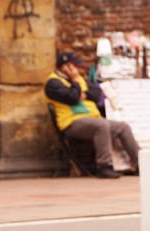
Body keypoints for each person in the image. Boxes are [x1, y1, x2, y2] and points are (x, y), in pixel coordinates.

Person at [44, 51, 139, 179]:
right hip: (71, 122)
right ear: (65, 66)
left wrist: (83, 93)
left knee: (123, 127)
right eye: (74, 66)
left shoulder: (80, 79)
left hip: (91, 118)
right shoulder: (53, 83)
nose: (77, 69)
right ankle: (104, 166)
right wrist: (74, 82)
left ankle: (140, 163)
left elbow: (96, 94)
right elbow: (72, 98)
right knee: (101, 125)